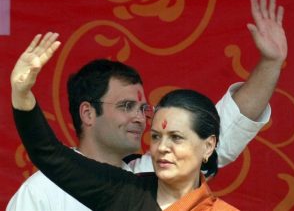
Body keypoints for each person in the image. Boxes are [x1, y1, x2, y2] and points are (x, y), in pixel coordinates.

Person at [7, 0, 287, 211]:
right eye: (126, 106)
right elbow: (48, 153)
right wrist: (21, 94)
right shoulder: (46, 190)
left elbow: (228, 123)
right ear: (88, 113)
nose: (140, 117)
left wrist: (271, 63)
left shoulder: (149, 178)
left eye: (143, 108)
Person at [14, 84, 240, 210]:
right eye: (155, 137)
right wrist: (22, 94)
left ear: (208, 146)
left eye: (176, 138)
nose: (161, 147)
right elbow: (50, 155)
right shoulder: (124, 193)